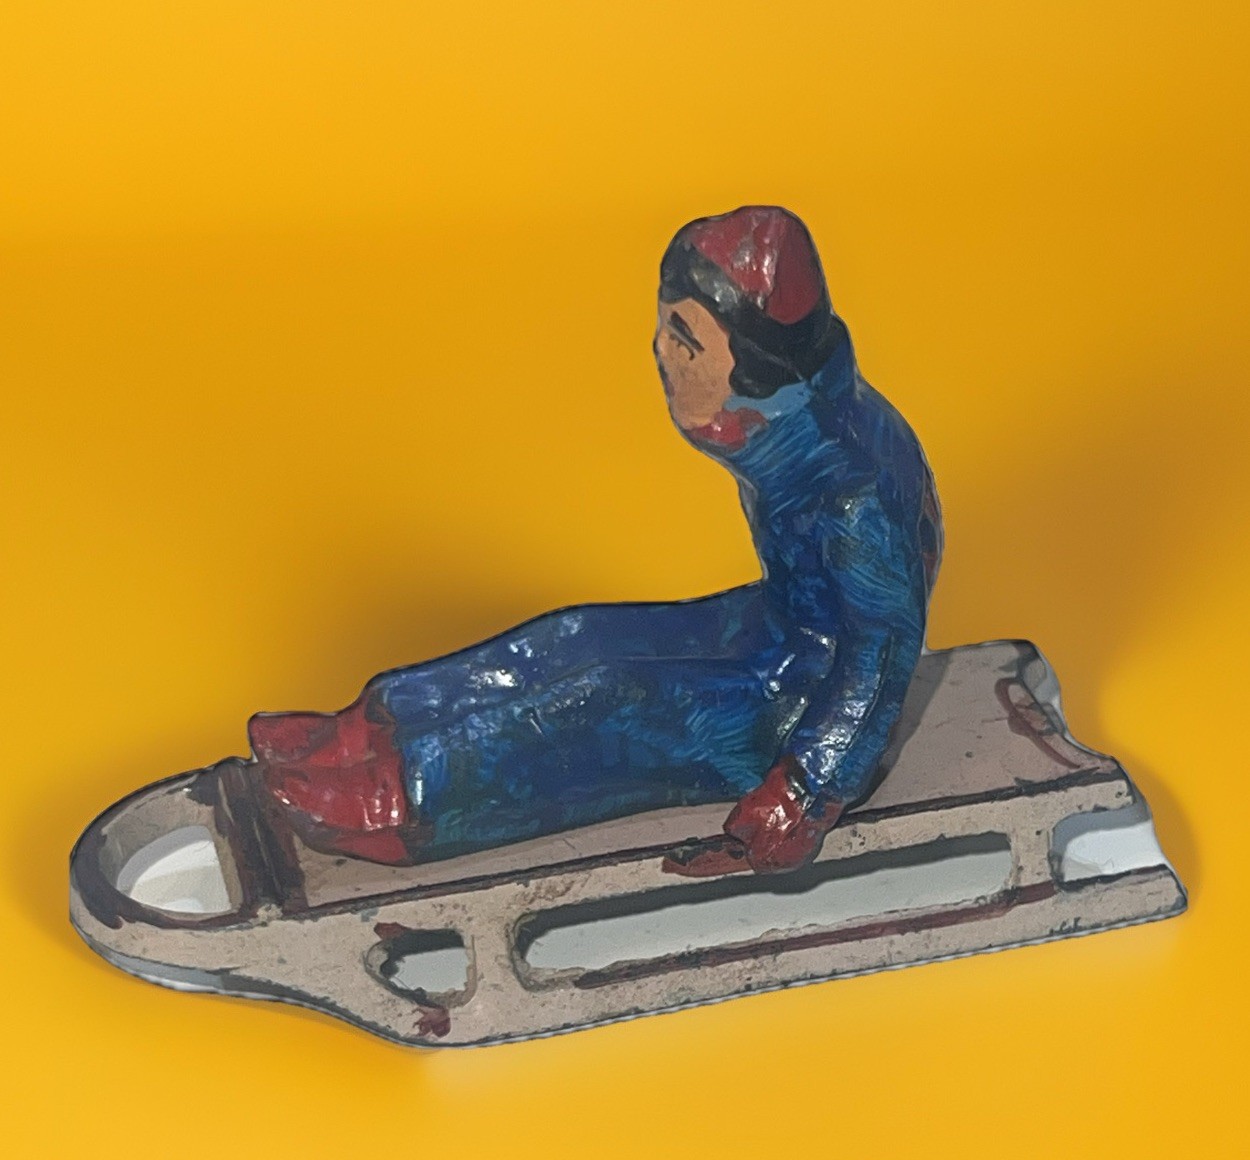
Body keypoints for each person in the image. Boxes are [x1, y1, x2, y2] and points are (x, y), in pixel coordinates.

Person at [248, 206, 942, 875]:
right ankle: (372, 728)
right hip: (779, 631)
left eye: (685, 340)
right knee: (576, 636)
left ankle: (398, 798)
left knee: (610, 691)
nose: (660, 352)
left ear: (758, 367)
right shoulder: (803, 417)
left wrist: (805, 791)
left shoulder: (853, 496)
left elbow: (880, 656)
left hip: (807, 705)